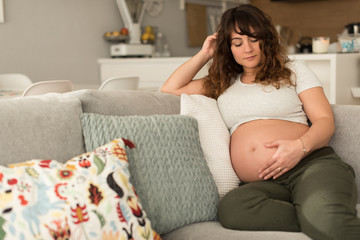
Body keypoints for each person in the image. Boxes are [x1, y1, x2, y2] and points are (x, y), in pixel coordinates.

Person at [161, 3, 360, 240]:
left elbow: (325, 121)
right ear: (228, 48)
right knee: (233, 209)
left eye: (254, 39)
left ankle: (322, 215)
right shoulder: (223, 81)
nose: (248, 48)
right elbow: (170, 89)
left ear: (266, 39)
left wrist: (299, 147)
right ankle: (312, 214)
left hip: (309, 165)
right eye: (237, 43)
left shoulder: (294, 69)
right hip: (266, 184)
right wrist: (205, 54)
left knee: (328, 221)